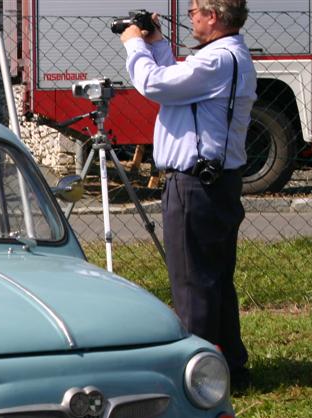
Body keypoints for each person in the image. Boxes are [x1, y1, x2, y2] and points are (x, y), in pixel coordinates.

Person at [120, 0, 256, 389]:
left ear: (212, 16)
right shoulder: (225, 57)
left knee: (192, 282)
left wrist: (134, 44)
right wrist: (158, 43)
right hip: (214, 182)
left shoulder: (216, 61)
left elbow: (155, 84)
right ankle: (229, 365)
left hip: (195, 184)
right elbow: (176, 82)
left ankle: (197, 379)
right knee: (213, 279)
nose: (190, 16)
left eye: (195, 9)